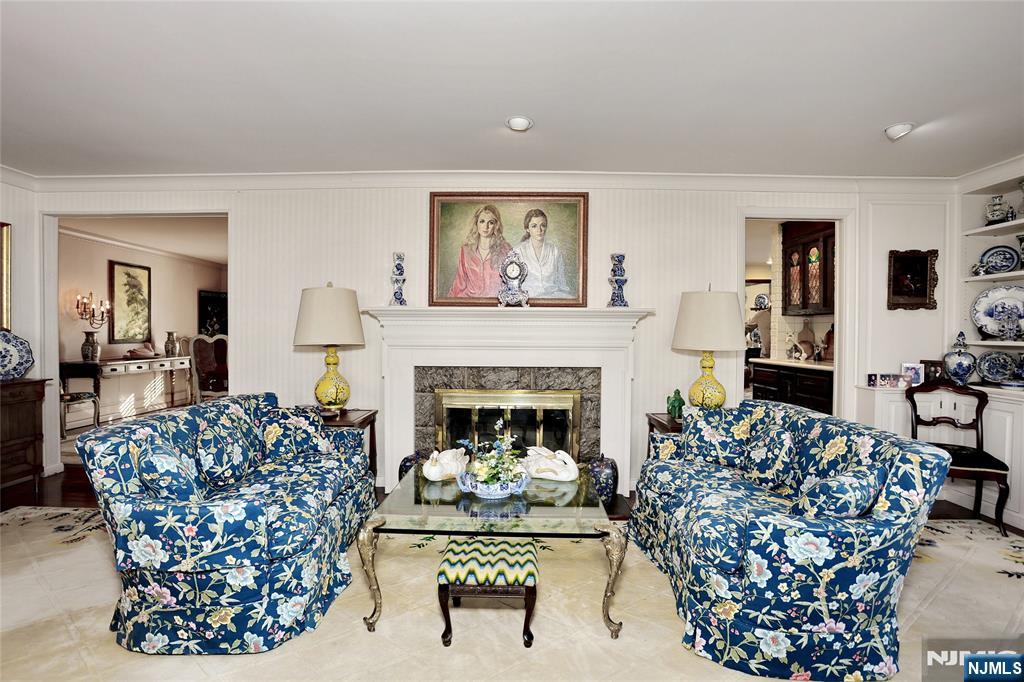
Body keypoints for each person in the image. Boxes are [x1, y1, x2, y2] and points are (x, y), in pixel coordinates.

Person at [448, 205, 512, 298]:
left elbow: (511, 282)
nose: (485, 226)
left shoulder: (505, 249)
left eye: (491, 222)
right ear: (476, 223)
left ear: (496, 225)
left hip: (495, 301)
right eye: (482, 221)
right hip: (469, 300)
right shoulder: (466, 250)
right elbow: (459, 282)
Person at [512, 208, 569, 298]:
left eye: (543, 225)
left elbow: (562, 282)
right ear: (527, 229)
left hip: (553, 297)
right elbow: (513, 283)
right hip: (527, 298)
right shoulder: (518, 251)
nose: (539, 230)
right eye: (534, 226)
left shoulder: (555, 251)